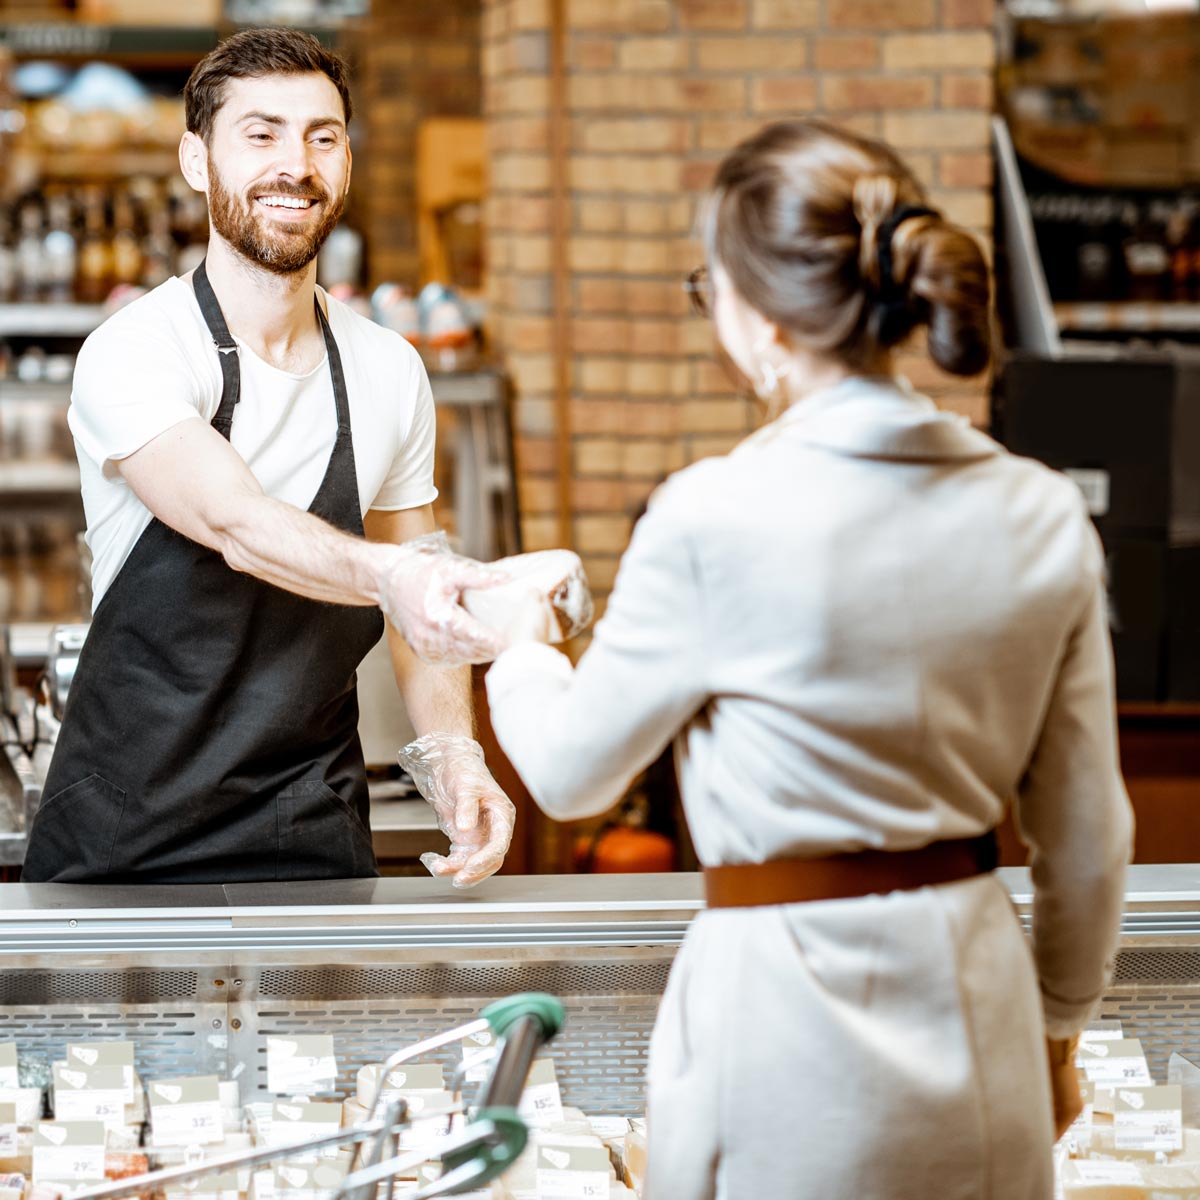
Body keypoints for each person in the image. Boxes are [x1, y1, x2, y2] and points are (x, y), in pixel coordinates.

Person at [484, 120, 1133, 1199]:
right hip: (978, 1012)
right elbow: (1087, 835)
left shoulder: (714, 514)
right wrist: (1057, 1032)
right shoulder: (1041, 509)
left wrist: (519, 644)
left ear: (756, 315)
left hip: (779, 1019)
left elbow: (569, 773)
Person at [23, 29, 517, 888]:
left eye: (322, 136)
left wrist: (453, 750)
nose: (296, 164)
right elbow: (238, 524)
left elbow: (420, 591)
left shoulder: (388, 368)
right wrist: (394, 575)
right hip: (125, 838)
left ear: (348, 161)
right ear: (194, 159)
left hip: (311, 824)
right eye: (261, 134)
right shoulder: (138, 348)